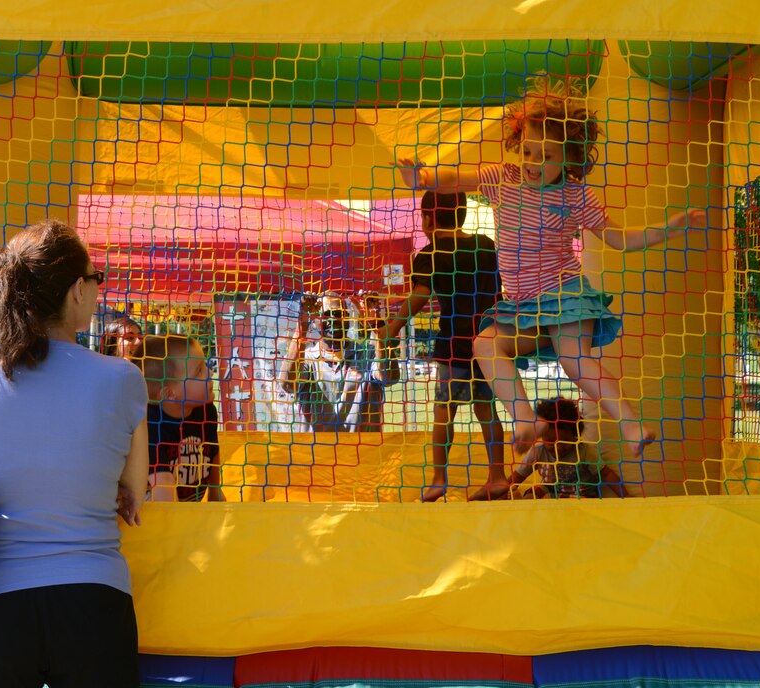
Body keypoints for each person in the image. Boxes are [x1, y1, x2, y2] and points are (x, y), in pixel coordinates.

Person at [397, 76, 707, 495]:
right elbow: (456, 179)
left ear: (569, 157)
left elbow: (619, 240)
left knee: (574, 360)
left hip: (564, 295)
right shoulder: (503, 179)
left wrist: (671, 228)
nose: (532, 162)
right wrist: (424, 178)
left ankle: (631, 425)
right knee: (485, 344)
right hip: (522, 307)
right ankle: (524, 419)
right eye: (527, 150)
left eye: (545, 156)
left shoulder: (575, 195)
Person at [0, 220, 149, 688]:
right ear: (78, 289)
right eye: (95, 278)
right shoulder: (122, 377)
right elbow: (134, 490)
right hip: (90, 599)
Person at [383, 191, 506, 502]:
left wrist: (393, 328)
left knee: (444, 411)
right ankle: (497, 475)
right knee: (487, 410)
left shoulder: (431, 253)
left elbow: (420, 296)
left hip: (454, 344)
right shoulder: (485, 246)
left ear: (429, 217)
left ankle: (439, 478)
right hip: (490, 342)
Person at [277, 294, 394, 433]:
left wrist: (376, 324)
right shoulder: (306, 358)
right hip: (318, 452)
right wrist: (302, 325)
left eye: (338, 314)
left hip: (363, 451)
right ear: (315, 321)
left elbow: (389, 377)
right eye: (327, 314)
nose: (333, 319)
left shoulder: (367, 353)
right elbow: (288, 385)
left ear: (347, 318)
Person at [474, 397, 624, 500]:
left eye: (564, 441)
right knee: (531, 495)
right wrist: (501, 492)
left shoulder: (583, 451)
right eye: (551, 441)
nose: (557, 447)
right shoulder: (538, 452)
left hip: (580, 495)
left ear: (575, 434)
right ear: (541, 436)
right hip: (550, 491)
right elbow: (518, 476)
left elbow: (606, 474)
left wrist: (626, 496)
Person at [139, 333, 225, 502]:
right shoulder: (150, 423)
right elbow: (163, 487)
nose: (210, 372)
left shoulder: (206, 411)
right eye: (199, 371)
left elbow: (213, 453)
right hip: (155, 515)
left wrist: (216, 493)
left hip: (188, 507)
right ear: (169, 393)